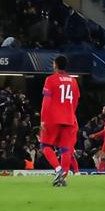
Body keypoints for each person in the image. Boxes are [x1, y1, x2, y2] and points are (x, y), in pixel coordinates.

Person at [40, 54, 80, 187]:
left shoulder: (50, 80)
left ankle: (58, 170)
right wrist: (70, 113)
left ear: (55, 65)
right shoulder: (73, 81)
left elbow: (46, 102)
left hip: (53, 118)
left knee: (45, 145)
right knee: (65, 149)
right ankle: (63, 178)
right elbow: (75, 101)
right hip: (69, 119)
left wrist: (43, 120)